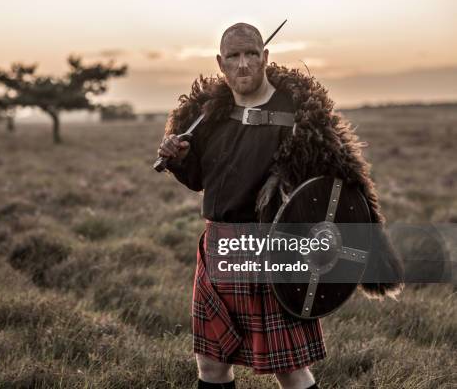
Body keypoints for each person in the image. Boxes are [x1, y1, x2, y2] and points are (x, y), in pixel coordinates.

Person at [157, 23, 404, 389]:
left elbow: (340, 184)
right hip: (218, 246)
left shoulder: (299, 113)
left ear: (265, 57)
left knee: (289, 370)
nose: (243, 65)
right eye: (233, 57)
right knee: (210, 365)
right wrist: (178, 158)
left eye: (250, 54)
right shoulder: (207, 114)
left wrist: (366, 253)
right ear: (220, 63)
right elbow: (199, 180)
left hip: (272, 248)